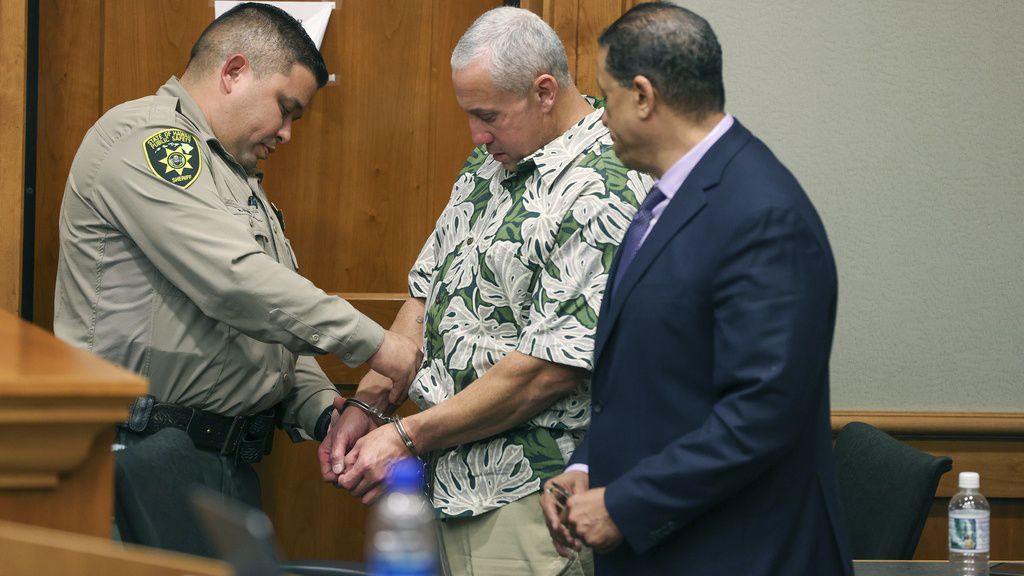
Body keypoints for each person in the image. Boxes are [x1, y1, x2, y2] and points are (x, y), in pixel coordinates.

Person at [52, 3, 420, 557]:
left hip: (222, 467)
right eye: (286, 108)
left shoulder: (233, 176)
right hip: (142, 461)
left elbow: (263, 324)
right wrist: (378, 346)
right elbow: (237, 284)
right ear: (233, 72)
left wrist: (325, 411)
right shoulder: (150, 141)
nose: (289, 134)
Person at [318, 7, 650, 575]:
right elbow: (425, 293)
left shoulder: (606, 184)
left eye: (488, 115)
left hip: (527, 497)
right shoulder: (492, 162)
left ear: (544, 91)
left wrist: (407, 434)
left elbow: (549, 370)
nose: (476, 134)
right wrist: (371, 400)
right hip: (443, 486)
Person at [539, 4, 855, 575]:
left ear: (642, 95)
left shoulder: (763, 214)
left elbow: (762, 413)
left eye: (604, 96)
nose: (599, 115)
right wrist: (588, 468)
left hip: (738, 553)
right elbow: (650, 379)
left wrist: (626, 504)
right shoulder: (667, 200)